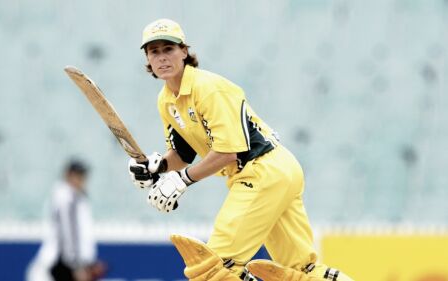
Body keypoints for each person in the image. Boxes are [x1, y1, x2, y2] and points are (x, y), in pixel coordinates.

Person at [127, 18, 354, 281]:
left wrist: (182, 180)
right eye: (154, 51)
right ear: (147, 58)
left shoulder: (207, 88)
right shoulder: (166, 100)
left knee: (214, 271)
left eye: (169, 49)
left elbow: (227, 152)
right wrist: (160, 167)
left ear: (184, 52)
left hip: (261, 172)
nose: (162, 58)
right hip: (277, 171)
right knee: (301, 272)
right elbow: (183, 153)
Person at [27, 160, 105, 281]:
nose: (81, 179)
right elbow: (68, 232)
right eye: (78, 175)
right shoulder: (67, 197)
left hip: (66, 264)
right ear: (68, 175)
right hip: (60, 265)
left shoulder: (74, 197)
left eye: (83, 175)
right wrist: (76, 266)